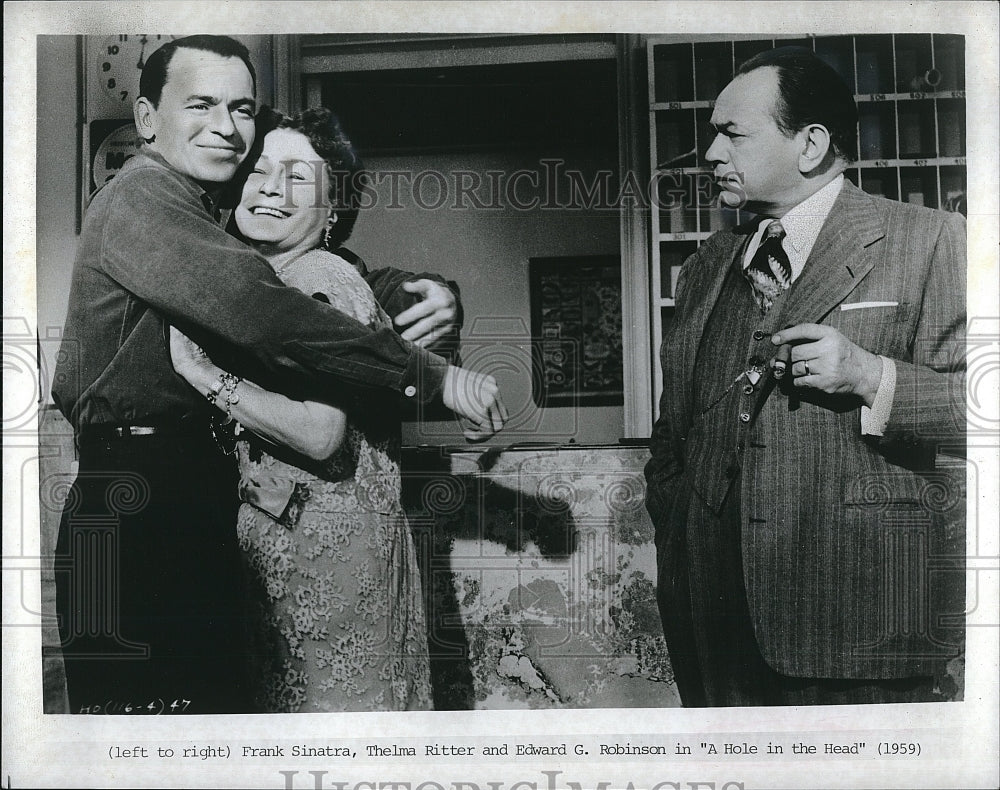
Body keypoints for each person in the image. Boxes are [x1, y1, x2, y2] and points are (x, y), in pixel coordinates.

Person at [52, 35, 506, 714]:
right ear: (147, 118)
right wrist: (433, 378)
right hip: (136, 501)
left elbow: (310, 277)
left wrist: (427, 290)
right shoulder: (142, 201)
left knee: (206, 731)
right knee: (147, 735)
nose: (225, 127)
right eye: (201, 104)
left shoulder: (209, 215)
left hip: (178, 495)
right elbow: (263, 308)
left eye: (240, 108)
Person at [644, 47, 966, 707]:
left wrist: (869, 375)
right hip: (713, 625)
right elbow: (675, 429)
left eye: (732, 132)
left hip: (857, 621)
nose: (710, 152)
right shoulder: (706, 265)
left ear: (811, 143)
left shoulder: (933, 241)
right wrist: (677, 528)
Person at [171, 107, 433, 711]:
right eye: (259, 170)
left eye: (296, 176)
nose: (269, 188)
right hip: (304, 555)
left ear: (333, 206)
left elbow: (321, 434)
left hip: (325, 568)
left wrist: (204, 375)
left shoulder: (320, 277)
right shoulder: (278, 281)